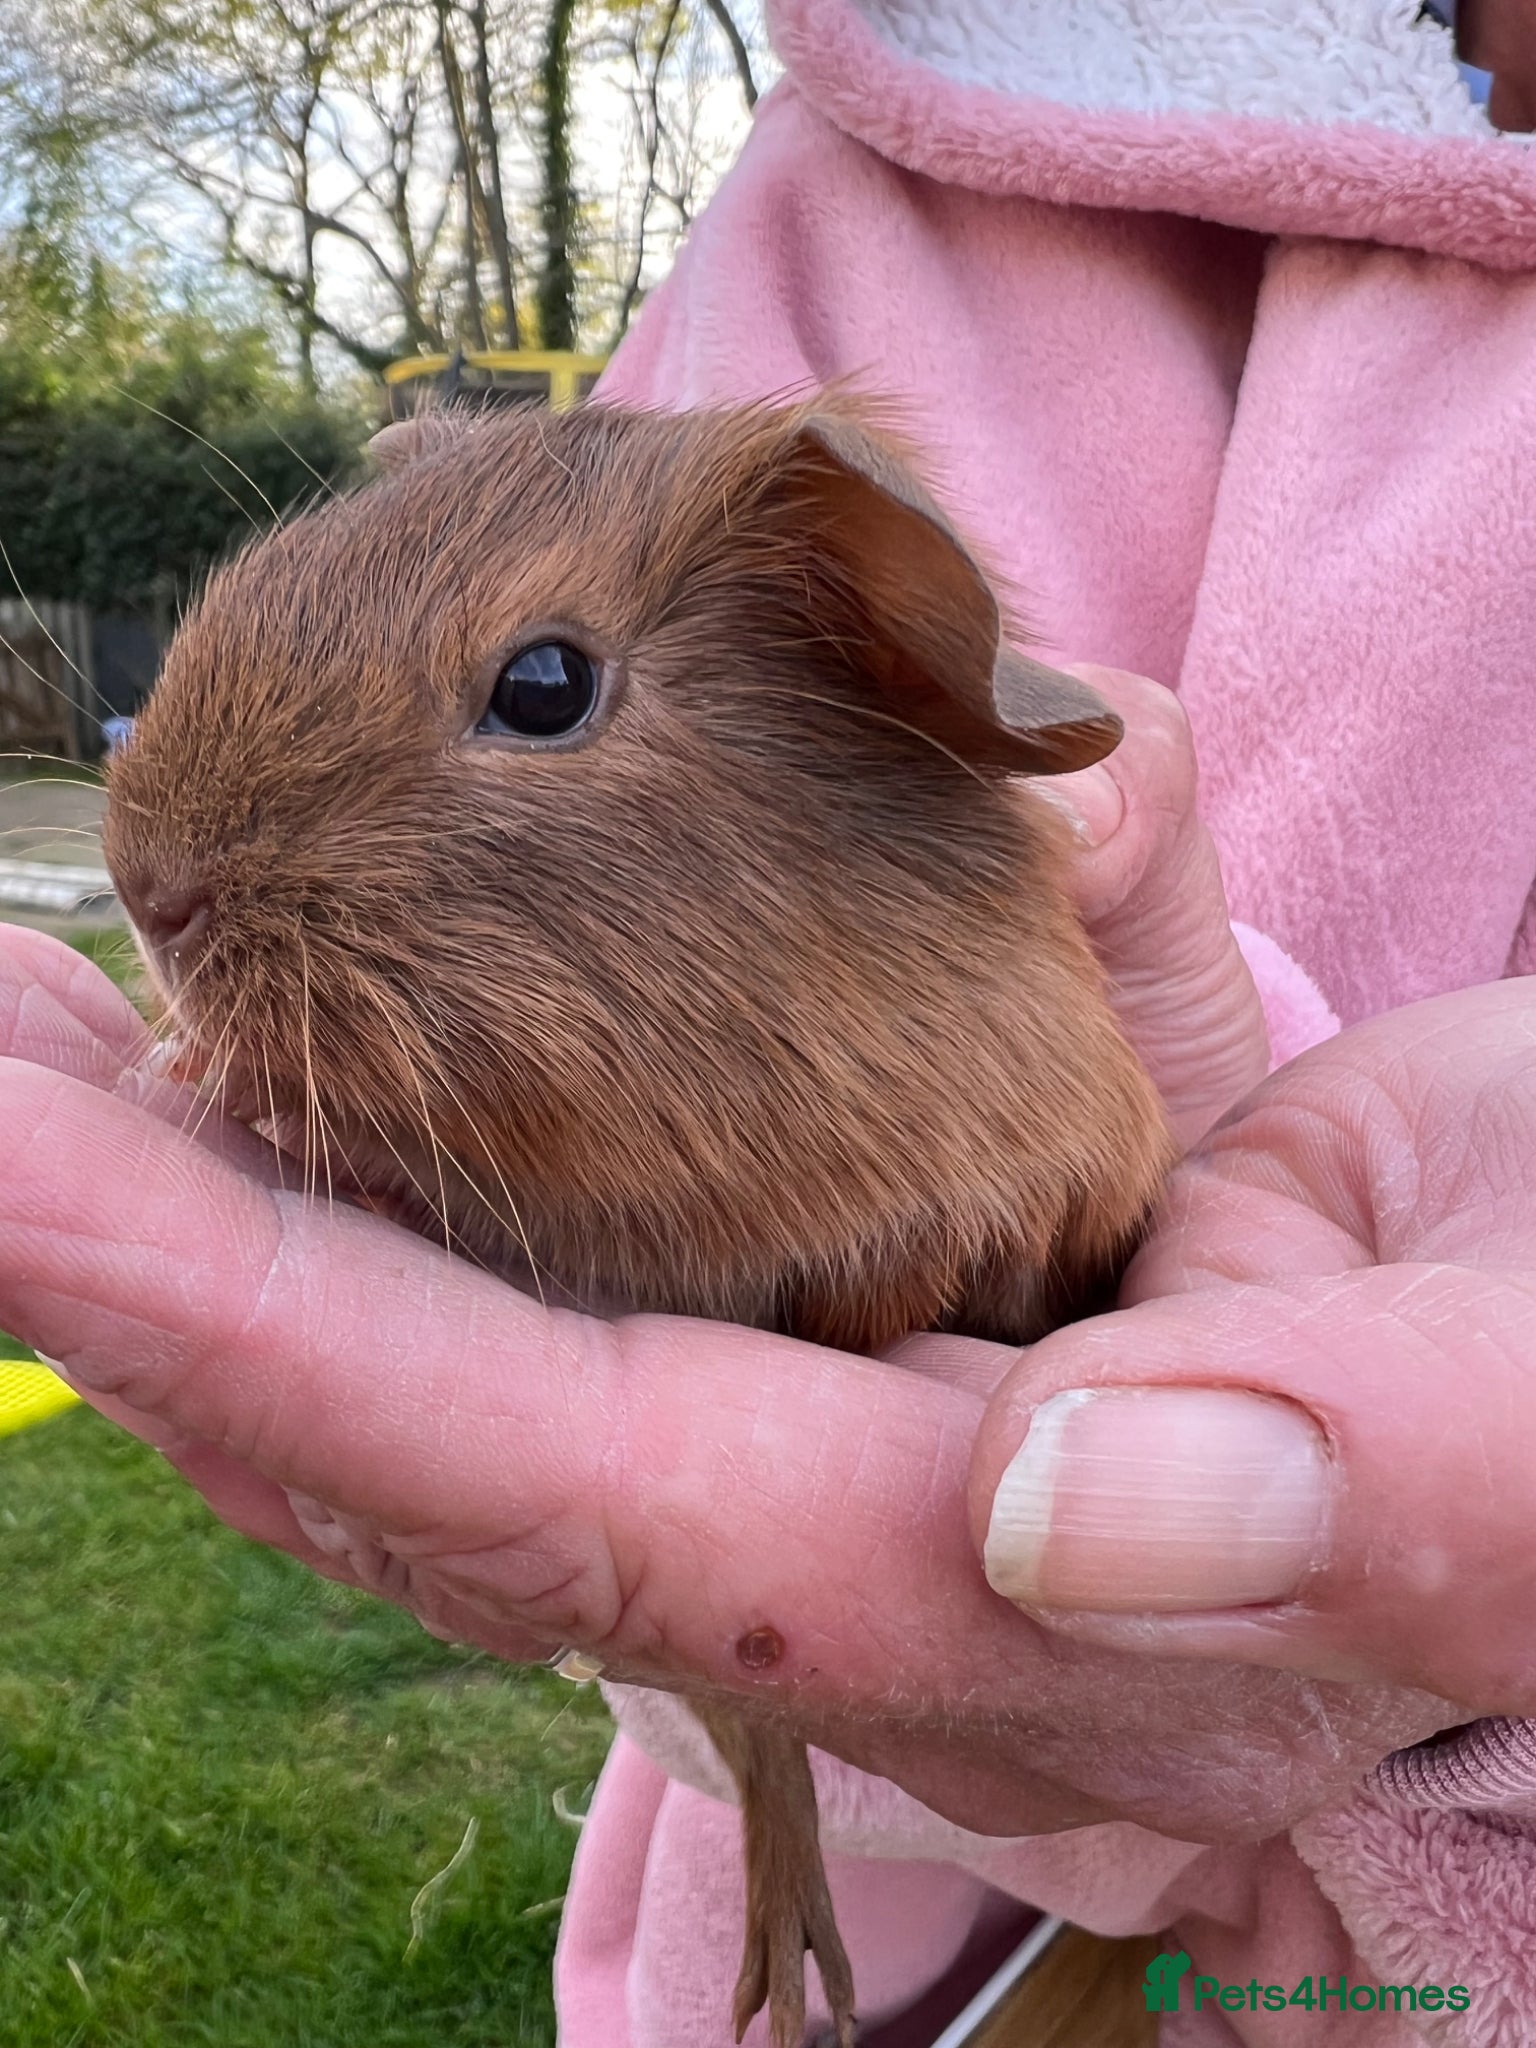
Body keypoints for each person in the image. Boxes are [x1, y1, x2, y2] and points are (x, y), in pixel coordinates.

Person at [6, 2, 1536, 2041]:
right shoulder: (868, 164)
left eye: (538, 699)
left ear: (872, 637)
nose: (170, 894)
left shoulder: (878, 783)